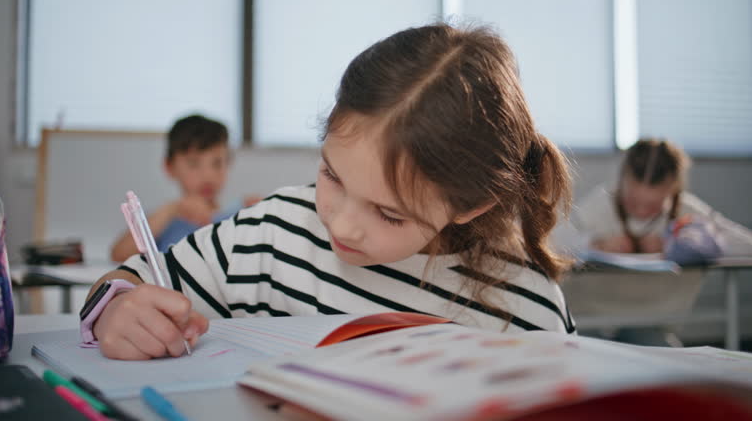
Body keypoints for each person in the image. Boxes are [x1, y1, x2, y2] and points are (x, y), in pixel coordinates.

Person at [86, 23, 577, 360]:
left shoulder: (526, 305)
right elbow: (129, 278)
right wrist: (116, 308)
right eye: (332, 176)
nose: (340, 224)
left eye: (388, 214)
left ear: (471, 205)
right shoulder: (272, 233)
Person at [110, 115, 259, 262]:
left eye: (217, 163)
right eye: (193, 164)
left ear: (229, 164)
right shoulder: (162, 221)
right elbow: (119, 254)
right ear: (169, 167)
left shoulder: (237, 214)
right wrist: (171, 209)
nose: (208, 175)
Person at [572, 138, 752, 256]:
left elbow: (744, 243)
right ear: (621, 181)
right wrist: (595, 246)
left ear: (673, 190)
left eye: (652, 206)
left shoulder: (684, 208)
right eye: (632, 202)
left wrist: (682, 245)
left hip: (672, 310)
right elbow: (553, 244)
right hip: (605, 310)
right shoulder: (602, 201)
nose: (641, 211)